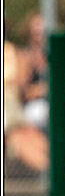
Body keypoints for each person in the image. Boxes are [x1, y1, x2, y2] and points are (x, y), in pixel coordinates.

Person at [4, 22, 47, 173]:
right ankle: (59, 172)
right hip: (9, 117)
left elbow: (21, 84)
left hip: (13, 108)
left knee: (26, 134)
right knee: (17, 138)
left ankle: (62, 169)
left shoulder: (13, 51)